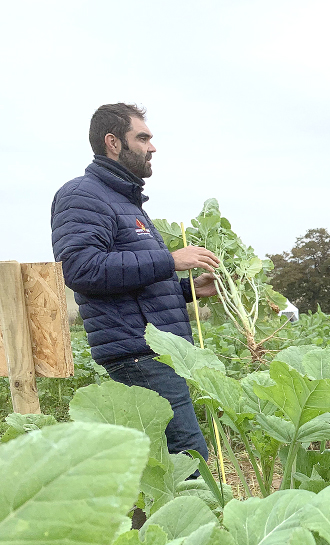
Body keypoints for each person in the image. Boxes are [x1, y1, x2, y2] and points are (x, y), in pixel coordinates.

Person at [52, 103, 219, 465]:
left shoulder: (124, 200)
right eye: (142, 138)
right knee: (188, 462)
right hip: (138, 353)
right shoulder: (82, 195)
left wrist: (189, 290)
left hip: (154, 351)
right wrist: (171, 260)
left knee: (155, 465)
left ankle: (152, 523)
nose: (152, 147)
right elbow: (82, 269)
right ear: (113, 142)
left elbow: (135, 284)